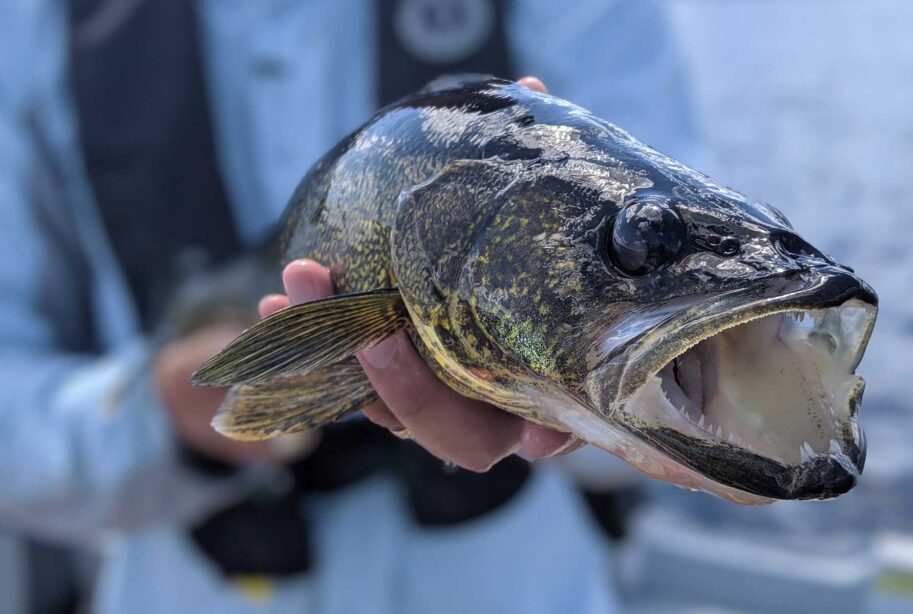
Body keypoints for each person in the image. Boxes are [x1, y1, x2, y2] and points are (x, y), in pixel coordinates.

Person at [0, 0, 699, 612]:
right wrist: (160, 413)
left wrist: (580, 410)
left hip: (512, 573)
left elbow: (682, 305)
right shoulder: (33, 21)